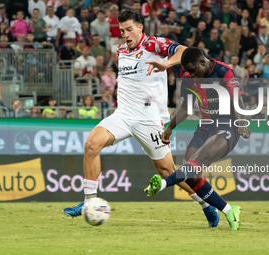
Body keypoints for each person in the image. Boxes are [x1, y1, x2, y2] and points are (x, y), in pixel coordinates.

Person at [63, 11, 220, 228]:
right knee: (90, 145)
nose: (126, 35)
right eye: (122, 31)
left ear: (139, 28)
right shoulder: (121, 50)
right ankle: (88, 202)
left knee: (168, 171)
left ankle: (206, 205)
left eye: (129, 29)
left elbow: (184, 51)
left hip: (150, 120)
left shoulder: (154, 44)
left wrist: (167, 64)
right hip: (123, 115)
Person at [144, 47, 251, 231]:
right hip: (205, 126)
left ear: (203, 62)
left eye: (193, 71)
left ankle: (163, 183)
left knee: (198, 160)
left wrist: (241, 123)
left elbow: (237, 101)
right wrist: (169, 128)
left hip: (227, 127)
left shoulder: (225, 72)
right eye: (188, 72)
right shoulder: (189, 77)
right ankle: (228, 209)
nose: (191, 75)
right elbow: (186, 107)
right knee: (191, 175)